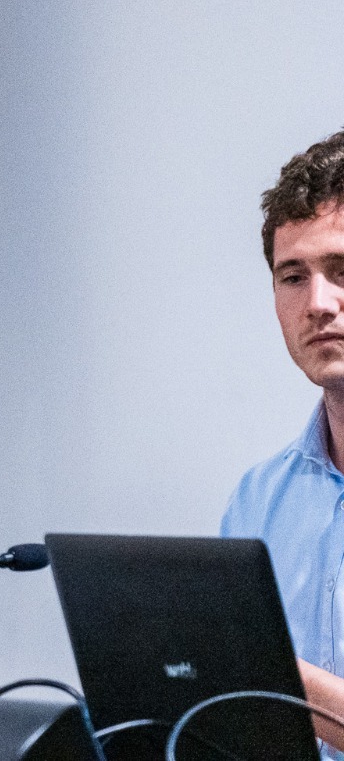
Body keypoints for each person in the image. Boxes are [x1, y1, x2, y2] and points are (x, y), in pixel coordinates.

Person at [221, 128, 344, 754]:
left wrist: (266, 679)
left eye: (342, 269)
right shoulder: (258, 500)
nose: (318, 304)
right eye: (292, 276)